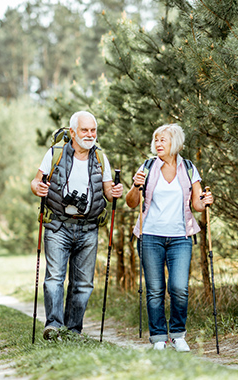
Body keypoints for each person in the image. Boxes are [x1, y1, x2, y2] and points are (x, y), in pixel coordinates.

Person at [31, 111, 124, 340]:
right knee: (54, 278)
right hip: (57, 226)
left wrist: (115, 192)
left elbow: (108, 192)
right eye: (85, 130)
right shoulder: (55, 153)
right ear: (73, 132)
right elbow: (36, 181)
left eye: (93, 130)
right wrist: (37, 188)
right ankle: (53, 326)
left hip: (89, 228)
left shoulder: (101, 158)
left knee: (83, 284)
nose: (90, 134)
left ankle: (73, 330)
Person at [125, 123, 213, 351]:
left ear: (174, 142)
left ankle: (177, 334)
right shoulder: (147, 167)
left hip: (180, 238)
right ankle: (158, 338)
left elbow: (197, 205)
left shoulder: (189, 168)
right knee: (154, 290)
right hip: (150, 236)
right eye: (156, 140)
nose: (158, 144)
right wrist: (136, 186)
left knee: (179, 287)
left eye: (162, 139)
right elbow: (131, 202)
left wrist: (205, 201)